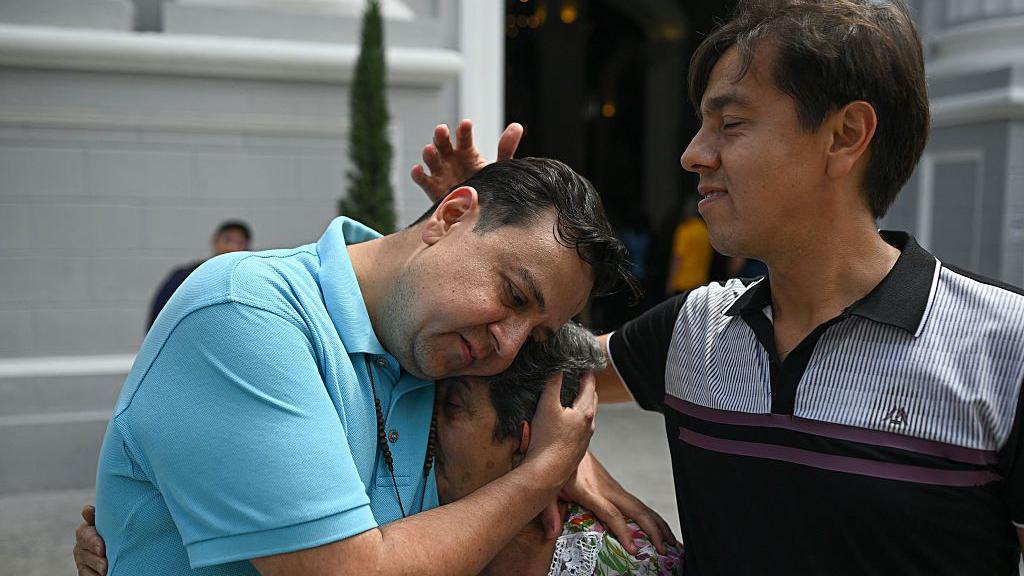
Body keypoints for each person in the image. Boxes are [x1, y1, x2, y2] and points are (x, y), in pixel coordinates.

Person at [407, 1, 1024, 573]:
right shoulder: (697, 327)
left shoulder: (1007, 346)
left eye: (730, 123)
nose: (694, 155)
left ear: (846, 135)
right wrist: (483, 242)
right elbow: (516, 357)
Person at [88, 156, 673, 576]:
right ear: (449, 217)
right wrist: (541, 473)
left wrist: (569, 456)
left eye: (536, 335)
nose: (508, 346)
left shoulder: (434, 356)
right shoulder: (244, 313)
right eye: (514, 293)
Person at [75, 322, 683, 576]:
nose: (423, 431)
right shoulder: (402, 512)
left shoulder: (619, 561)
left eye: (450, 409)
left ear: (529, 438)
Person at [147, 220, 251, 328]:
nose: (232, 248)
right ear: (215, 242)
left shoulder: (246, 282)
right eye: (227, 240)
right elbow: (158, 319)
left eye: (240, 243)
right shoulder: (186, 276)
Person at [665, 194, 712, 295]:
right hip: (701, 283)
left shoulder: (684, 230)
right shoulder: (706, 230)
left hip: (682, 284)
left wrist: (670, 283)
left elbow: (677, 259)